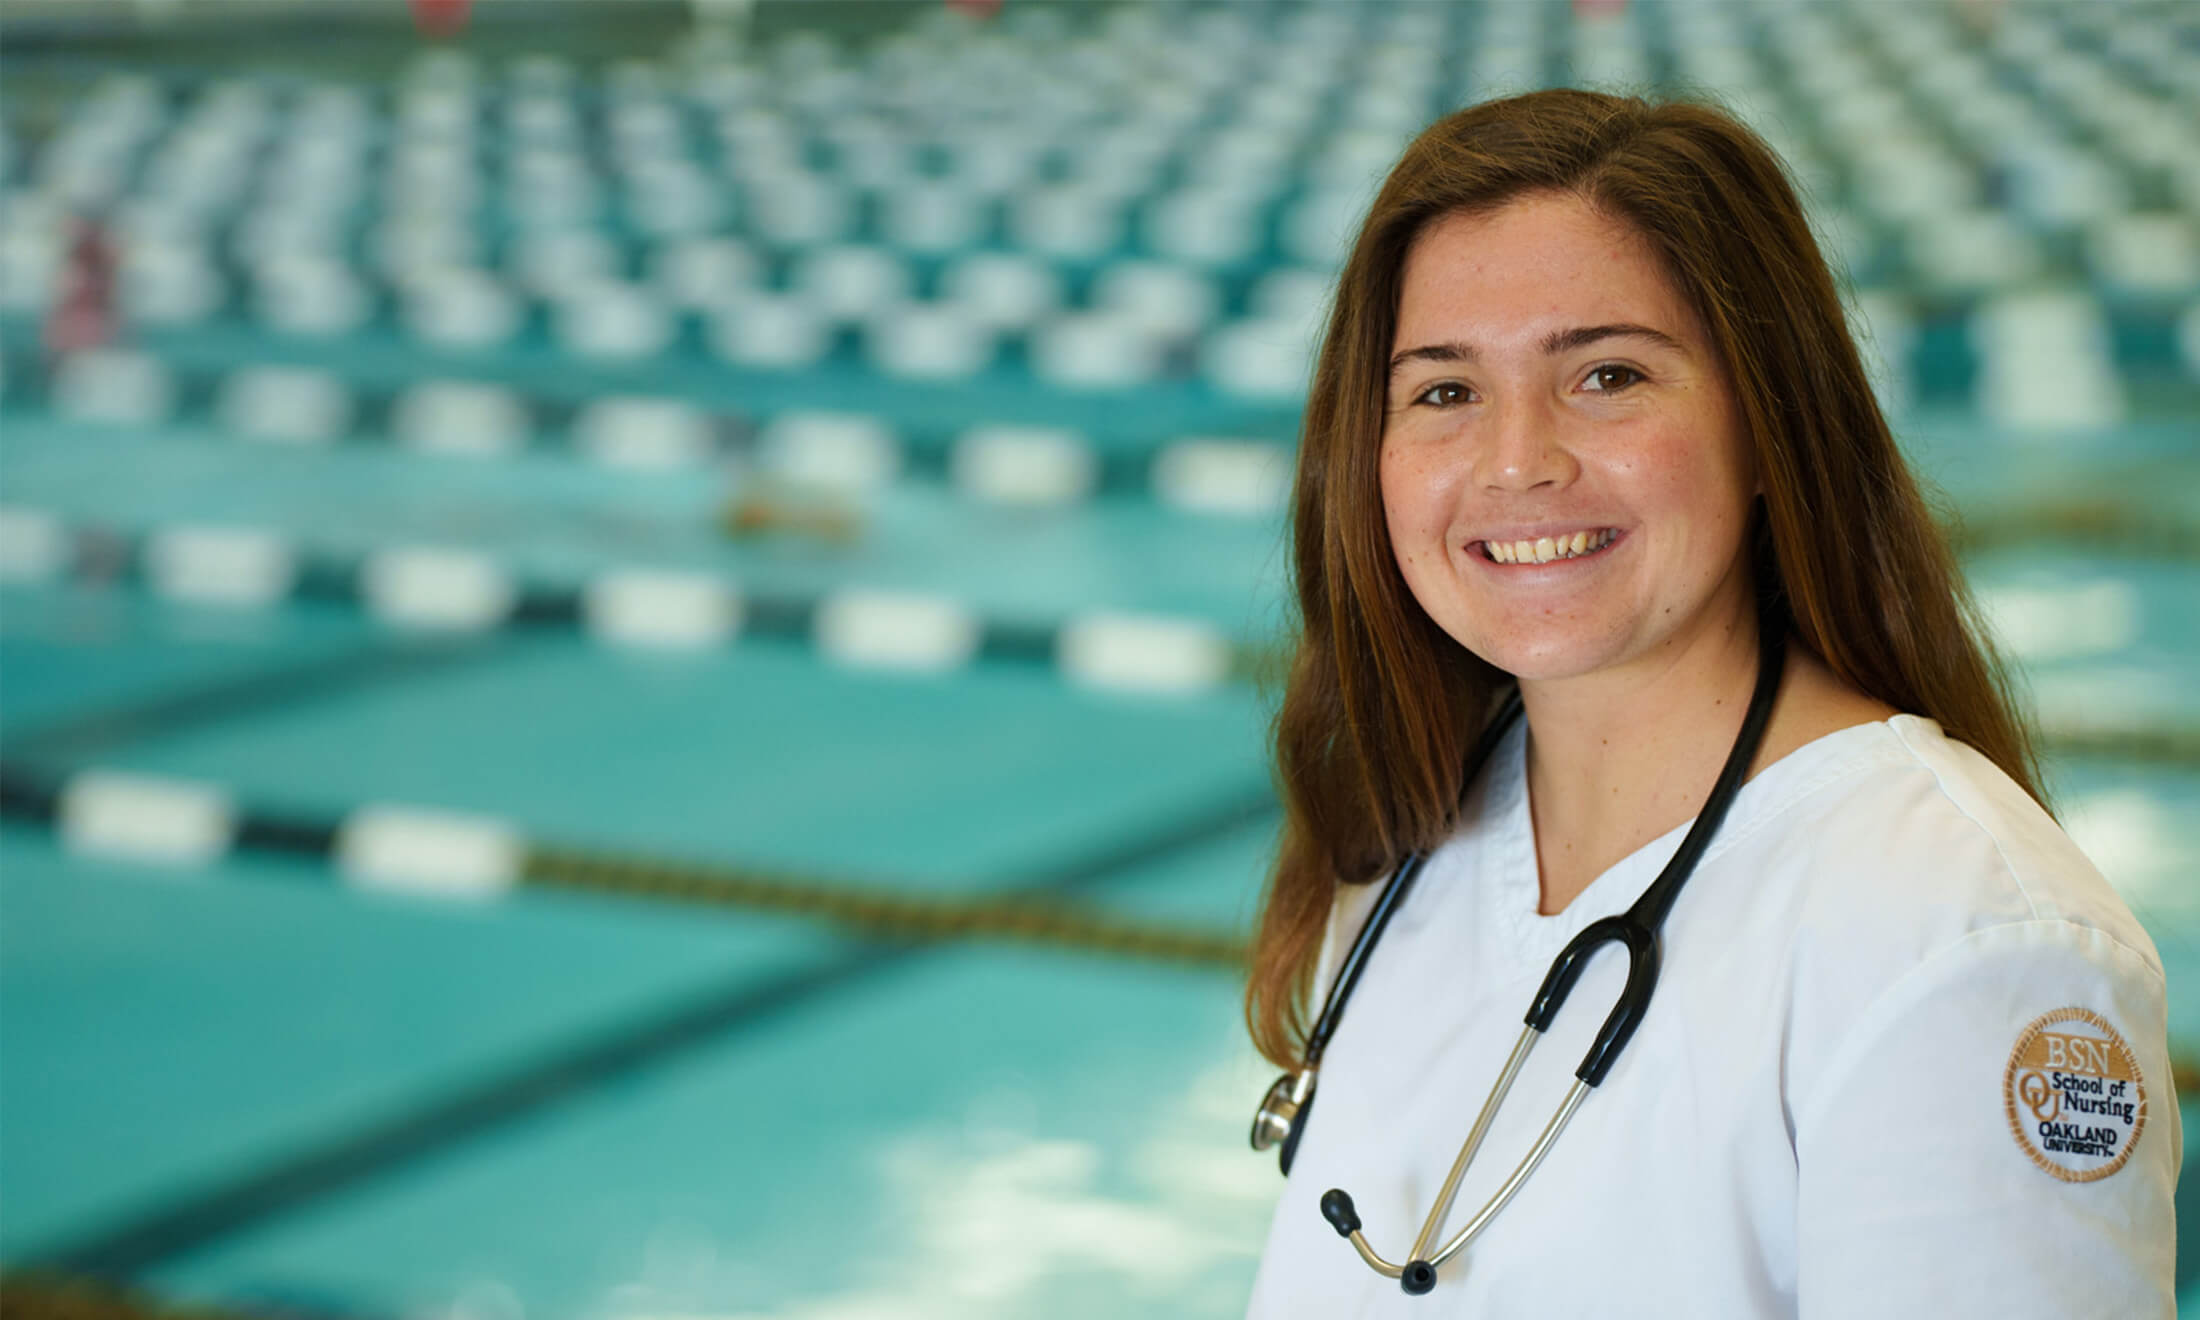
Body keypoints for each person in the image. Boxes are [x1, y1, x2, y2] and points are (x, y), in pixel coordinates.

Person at [1242, 88, 2177, 1315]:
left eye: (1607, 374)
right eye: (1444, 392)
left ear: (1766, 421)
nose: (1517, 459)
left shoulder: (1958, 942)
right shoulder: (1413, 832)